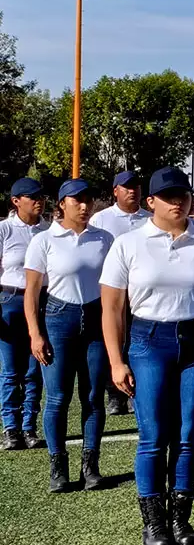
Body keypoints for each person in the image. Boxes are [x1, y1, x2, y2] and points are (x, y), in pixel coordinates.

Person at [99, 167, 194, 545]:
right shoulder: (128, 244)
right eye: (170, 196)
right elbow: (111, 308)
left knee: (189, 433)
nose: (179, 202)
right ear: (151, 202)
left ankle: (181, 519)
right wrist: (116, 360)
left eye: (184, 195)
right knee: (154, 435)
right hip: (148, 341)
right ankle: (154, 524)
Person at [24, 179, 112, 491]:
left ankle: (90, 467)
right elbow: (32, 293)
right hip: (59, 319)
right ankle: (58, 468)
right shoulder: (45, 241)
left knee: (92, 397)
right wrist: (35, 334)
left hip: (97, 319)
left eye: (88, 200)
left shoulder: (105, 238)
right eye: (77, 200)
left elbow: (115, 288)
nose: (85, 206)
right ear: (62, 204)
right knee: (58, 397)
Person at [90, 171, 150, 417]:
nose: (132, 191)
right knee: (113, 343)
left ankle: (136, 392)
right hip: (111, 292)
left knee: (137, 343)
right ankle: (114, 393)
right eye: (126, 187)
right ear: (115, 191)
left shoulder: (150, 218)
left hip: (140, 293)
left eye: (135, 186)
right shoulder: (101, 219)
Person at [0, 177, 48, 451]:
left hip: (41, 301)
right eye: (31, 197)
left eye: (40, 196)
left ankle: (29, 426)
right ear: (16, 201)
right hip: (10, 300)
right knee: (10, 370)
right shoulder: (4, 230)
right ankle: (11, 427)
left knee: (34, 369)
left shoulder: (47, 230)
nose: (38, 200)